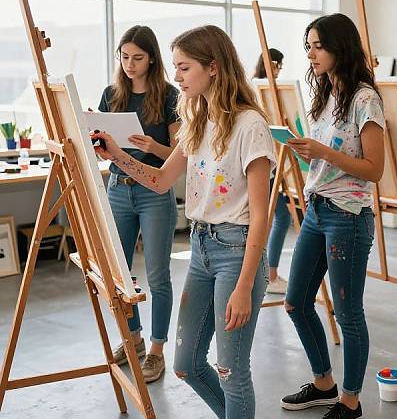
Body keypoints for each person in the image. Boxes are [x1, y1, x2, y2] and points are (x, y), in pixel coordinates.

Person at [93, 25, 275, 419]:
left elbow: (263, 213)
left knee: (231, 370)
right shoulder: (195, 118)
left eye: (184, 68)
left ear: (213, 67)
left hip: (237, 251)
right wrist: (116, 156)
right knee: (186, 364)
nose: (176, 77)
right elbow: (159, 180)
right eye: (175, 67)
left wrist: (245, 285)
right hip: (201, 248)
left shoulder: (250, 125)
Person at [280, 13, 385, 419]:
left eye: (318, 45)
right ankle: (325, 384)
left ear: (340, 46)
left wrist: (322, 153)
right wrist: (306, 151)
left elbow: (374, 170)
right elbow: (328, 159)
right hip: (317, 210)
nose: (311, 54)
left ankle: (351, 401)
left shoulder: (365, 99)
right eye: (308, 46)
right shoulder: (324, 95)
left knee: (347, 313)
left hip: (349, 217)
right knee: (295, 303)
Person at [98, 26, 179, 383]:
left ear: (152, 59)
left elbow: (180, 153)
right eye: (124, 56)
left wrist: (151, 146)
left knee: (158, 276)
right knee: (120, 274)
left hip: (154, 192)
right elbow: (103, 150)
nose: (129, 64)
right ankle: (134, 341)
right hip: (117, 187)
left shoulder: (169, 96)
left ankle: (157, 352)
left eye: (138, 58)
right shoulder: (111, 94)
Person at [253, 48, 290, 294]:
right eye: (277, 65)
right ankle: (270, 273)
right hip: (266, 165)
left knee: (278, 217)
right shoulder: (263, 90)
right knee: (277, 218)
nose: (278, 70)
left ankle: (269, 272)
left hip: (274, 164)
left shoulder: (261, 88)